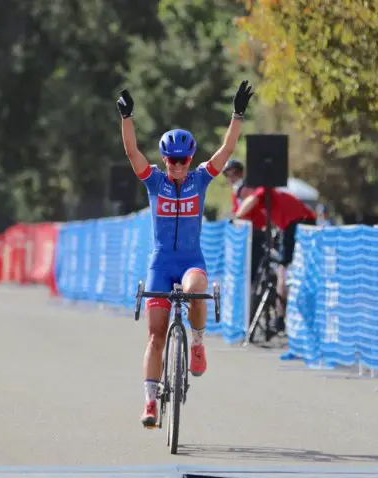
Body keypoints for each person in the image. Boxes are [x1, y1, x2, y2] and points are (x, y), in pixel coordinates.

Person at [117, 80, 254, 428]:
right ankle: (149, 402)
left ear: (189, 159)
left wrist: (237, 114)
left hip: (191, 259)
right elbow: (133, 153)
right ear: (164, 160)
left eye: (182, 160)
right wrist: (127, 117)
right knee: (155, 335)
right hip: (160, 263)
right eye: (171, 160)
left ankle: (197, 342)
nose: (177, 166)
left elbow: (227, 148)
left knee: (195, 289)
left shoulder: (200, 179)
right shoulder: (154, 182)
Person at [232, 183, 316, 333]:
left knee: (285, 268)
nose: (241, 196)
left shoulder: (262, 190)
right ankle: (280, 316)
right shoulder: (264, 203)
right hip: (291, 225)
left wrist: (235, 217)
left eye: (242, 193)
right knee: (282, 268)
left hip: (300, 222)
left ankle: (281, 316)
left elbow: (250, 201)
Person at [221, 159, 267, 285]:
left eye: (234, 173)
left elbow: (250, 207)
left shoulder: (248, 188)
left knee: (253, 268)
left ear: (242, 173)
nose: (231, 178)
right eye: (227, 175)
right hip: (245, 235)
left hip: (257, 232)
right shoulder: (235, 192)